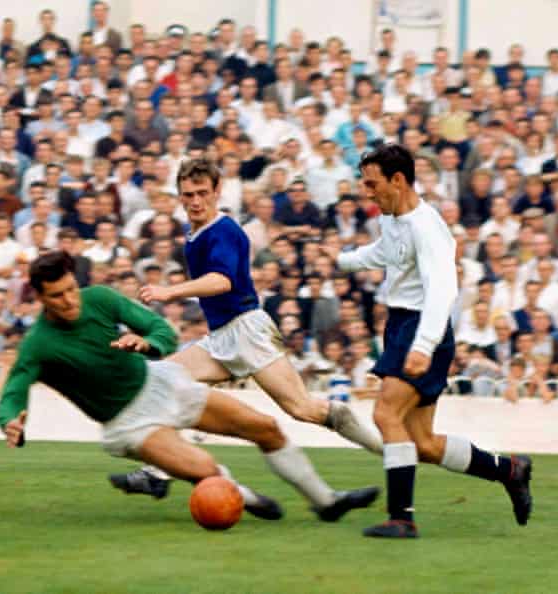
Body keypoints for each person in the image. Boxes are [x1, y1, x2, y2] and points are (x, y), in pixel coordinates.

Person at [0, 251, 378, 522]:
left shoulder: (98, 298)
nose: (69, 301)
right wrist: (10, 421)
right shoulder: (38, 344)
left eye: (70, 289)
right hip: (130, 424)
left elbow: (160, 329)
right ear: (39, 298)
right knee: (206, 469)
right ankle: (245, 498)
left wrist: (148, 344)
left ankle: (326, 502)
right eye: (57, 296)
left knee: (266, 428)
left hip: (161, 384)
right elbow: (14, 391)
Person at [113, 158, 382, 493]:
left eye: (202, 193)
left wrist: (170, 291)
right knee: (165, 380)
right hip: (220, 337)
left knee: (303, 408)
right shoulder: (193, 234)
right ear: (180, 196)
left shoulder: (224, 230)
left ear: (217, 191)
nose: (195, 201)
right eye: (188, 194)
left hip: (247, 331)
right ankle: (157, 472)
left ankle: (386, 449)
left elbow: (222, 281)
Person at [324, 144, 533, 538]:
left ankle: (402, 519)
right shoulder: (394, 219)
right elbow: (385, 253)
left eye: (372, 184)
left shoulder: (427, 226)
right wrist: (342, 260)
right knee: (423, 444)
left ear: (398, 180)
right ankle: (510, 470)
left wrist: (423, 344)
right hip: (403, 325)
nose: (367, 192)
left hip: (421, 327)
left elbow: (443, 290)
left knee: (386, 415)